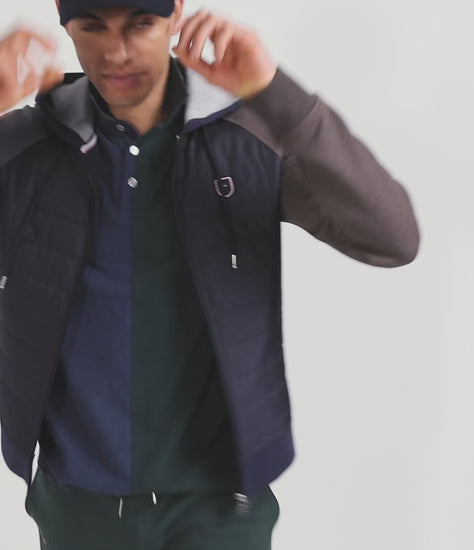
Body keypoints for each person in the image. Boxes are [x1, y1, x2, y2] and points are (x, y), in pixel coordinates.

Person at [0, 0, 420, 548]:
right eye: (93, 26)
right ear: (63, 18)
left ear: (176, 12)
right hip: (80, 507)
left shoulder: (247, 135)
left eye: (140, 24)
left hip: (221, 507)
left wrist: (275, 93)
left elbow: (392, 237)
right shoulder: (25, 148)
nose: (117, 51)